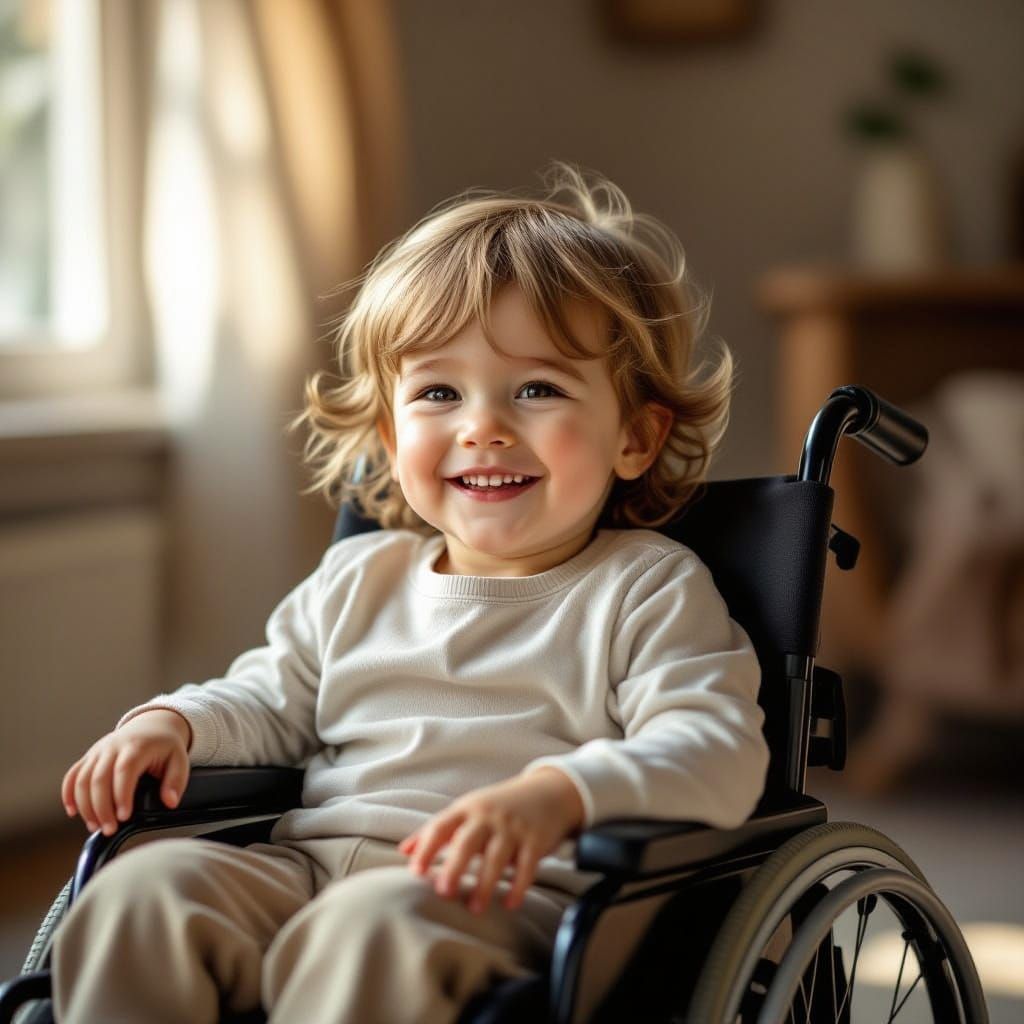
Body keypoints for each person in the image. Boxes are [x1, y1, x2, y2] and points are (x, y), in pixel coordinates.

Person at [52, 163, 770, 1023]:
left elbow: (717, 749)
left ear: (637, 436)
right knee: (146, 891)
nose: (484, 426)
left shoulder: (643, 588)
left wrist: (563, 794)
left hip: (499, 902)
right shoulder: (363, 577)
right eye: (438, 392)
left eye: (538, 389)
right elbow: (267, 698)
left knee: (368, 927)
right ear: (392, 437)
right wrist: (174, 722)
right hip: (307, 872)